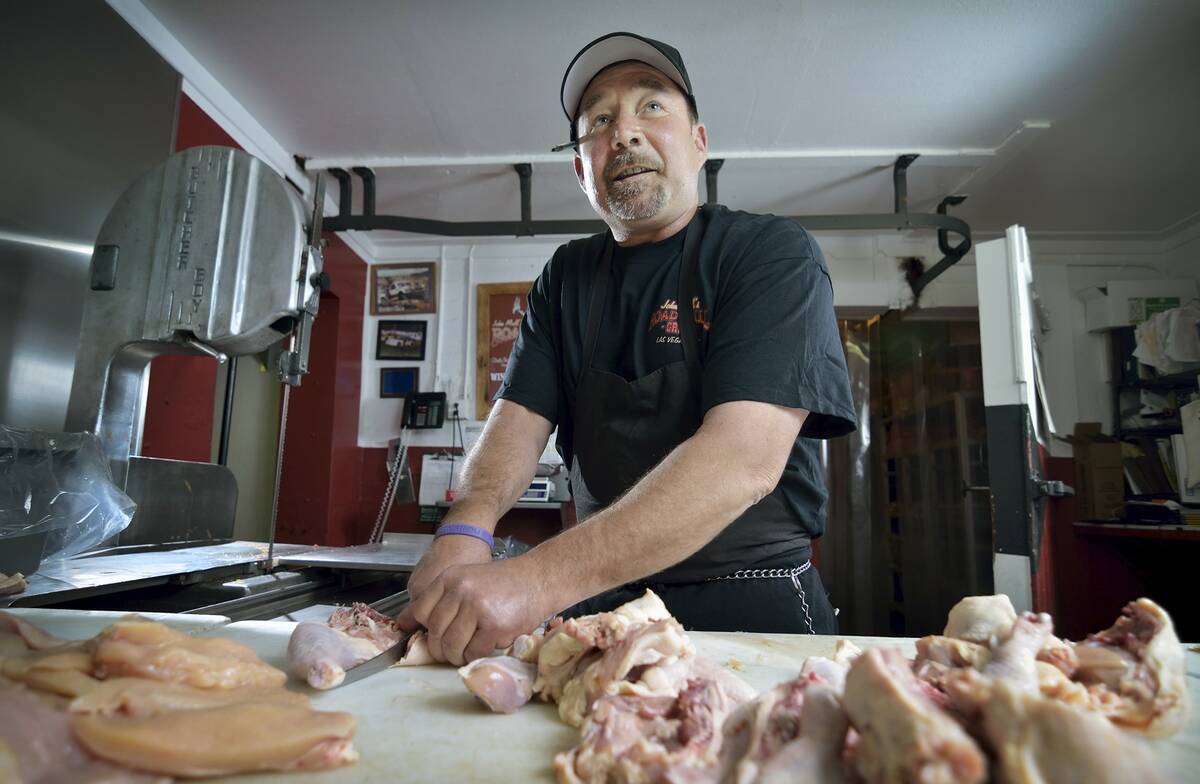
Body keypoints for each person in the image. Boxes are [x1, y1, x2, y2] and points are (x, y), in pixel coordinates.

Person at [397, 32, 856, 665]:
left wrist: (534, 580)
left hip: (751, 594)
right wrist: (465, 530)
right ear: (581, 168)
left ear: (699, 143)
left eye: (652, 107)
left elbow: (742, 458)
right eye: (601, 121)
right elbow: (516, 424)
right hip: (605, 599)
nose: (626, 133)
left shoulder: (768, 253)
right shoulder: (565, 278)